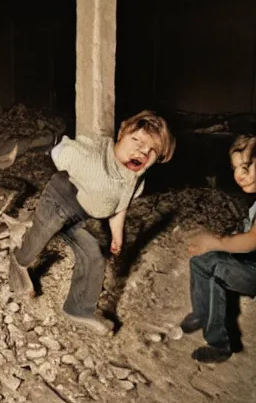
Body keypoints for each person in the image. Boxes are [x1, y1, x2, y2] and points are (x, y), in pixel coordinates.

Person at [9, 110, 175, 334]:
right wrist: (39, 144)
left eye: (152, 150)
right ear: (121, 135)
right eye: (136, 140)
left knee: (93, 256)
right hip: (61, 197)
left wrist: (117, 236)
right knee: (44, 231)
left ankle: (79, 308)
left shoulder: (135, 181)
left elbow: (120, 207)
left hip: (82, 215)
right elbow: (62, 151)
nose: (142, 150)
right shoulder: (93, 155)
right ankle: (19, 263)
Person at [181, 134, 256, 363]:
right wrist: (221, 243)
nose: (239, 175)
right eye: (235, 168)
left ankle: (219, 344)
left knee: (220, 272)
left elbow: (254, 239)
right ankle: (202, 313)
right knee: (201, 260)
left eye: (247, 167)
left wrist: (219, 242)